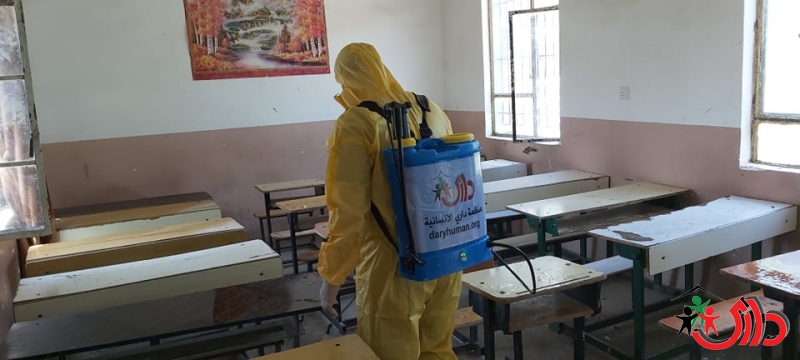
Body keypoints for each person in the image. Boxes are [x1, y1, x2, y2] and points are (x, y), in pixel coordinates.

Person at [317, 42, 461, 360]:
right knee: (437, 349)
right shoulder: (431, 108)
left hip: (393, 266)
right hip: (445, 254)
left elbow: (348, 211)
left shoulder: (357, 122)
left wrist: (332, 276)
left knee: (390, 352)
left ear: (347, 80)